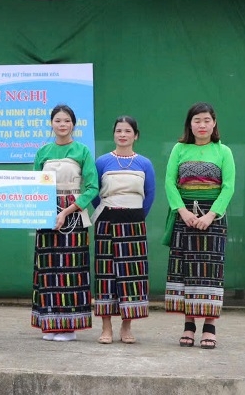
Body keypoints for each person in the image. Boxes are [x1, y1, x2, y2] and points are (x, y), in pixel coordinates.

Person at [164, 102, 235, 350]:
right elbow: (170, 183)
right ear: (190, 124)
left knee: (210, 274)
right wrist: (182, 211)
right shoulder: (179, 149)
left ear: (214, 123)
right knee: (187, 273)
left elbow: (228, 187)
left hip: (213, 221)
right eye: (197, 120)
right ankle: (189, 326)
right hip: (184, 218)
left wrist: (210, 215)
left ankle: (209, 327)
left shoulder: (223, 151)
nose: (202, 125)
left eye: (206, 120)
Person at [31, 104, 99, 342]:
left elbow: (92, 188)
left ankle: (69, 327)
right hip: (46, 217)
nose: (62, 124)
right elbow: (35, 187)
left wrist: (67, 211)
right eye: (58, 120)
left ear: (73, 124)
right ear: (51, 123)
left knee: (71, 270)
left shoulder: (82, 151)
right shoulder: (43, 152)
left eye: (67, 121)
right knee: (48, 269)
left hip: (74, 218)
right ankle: (50, 324)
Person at [91, 116, 156, 344]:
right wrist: (111, 212)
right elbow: (94, 192)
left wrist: (134, 216)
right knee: (106, 274)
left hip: (134, 223)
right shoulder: (102, 162)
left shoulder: (145, 164)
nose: (123, 135)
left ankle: (126, 327)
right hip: (107, 222)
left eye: (127, 131)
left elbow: (150, 195)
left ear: (135, 135)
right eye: (118, 130)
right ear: (114, 134)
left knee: (132, 276)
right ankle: (106, 327)